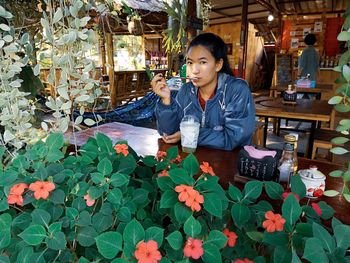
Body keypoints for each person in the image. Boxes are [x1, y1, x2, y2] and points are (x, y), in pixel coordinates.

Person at [151, 33, 256, 151]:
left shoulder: (237, 90)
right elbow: (169, 133)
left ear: (218, 64)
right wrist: (166, 101)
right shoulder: (186, 91)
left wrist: (190, 134)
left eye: (202, 62)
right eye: (190, 62)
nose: (194, 70)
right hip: (192, 163)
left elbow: (233, 138)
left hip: (229, 164)